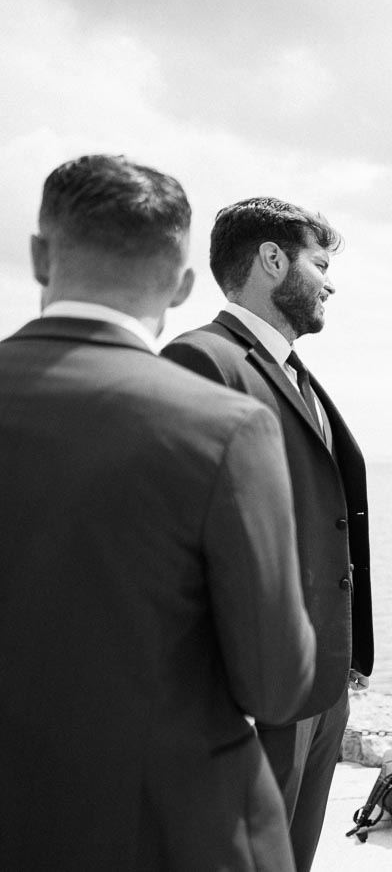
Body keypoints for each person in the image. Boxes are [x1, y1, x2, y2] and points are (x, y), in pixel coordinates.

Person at [0, 154, 315, 870]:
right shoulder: (223, 426)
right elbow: (275, 683)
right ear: (181, 285)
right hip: (167, 833)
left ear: (40, 256)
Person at [161, 196, 372, 872]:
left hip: (320, 685)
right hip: (258, 691)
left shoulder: (293, 373)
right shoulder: (203, 361)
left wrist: (348, 660)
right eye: (320, 262)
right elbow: (181, 546)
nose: (330, 282)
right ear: (272, 260)